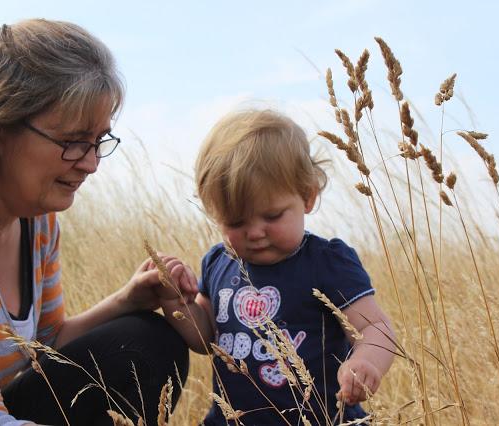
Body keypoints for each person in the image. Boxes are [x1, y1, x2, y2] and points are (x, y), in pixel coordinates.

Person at [0, 19, 197, 426]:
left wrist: (127, 301)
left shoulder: (35, 216)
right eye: (73, 141)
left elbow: (44, 345)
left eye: (98, 141)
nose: (91, 163)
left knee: (147, 341)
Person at [159, 109, 396, 425]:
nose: (255, 232)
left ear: (307, 197)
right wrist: (177, 302)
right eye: (236, 221)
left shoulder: (326, 262)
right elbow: (206, 337)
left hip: (318, 418)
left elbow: (374, 327)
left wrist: (367, 362)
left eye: (272, 216)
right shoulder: (219, 262)